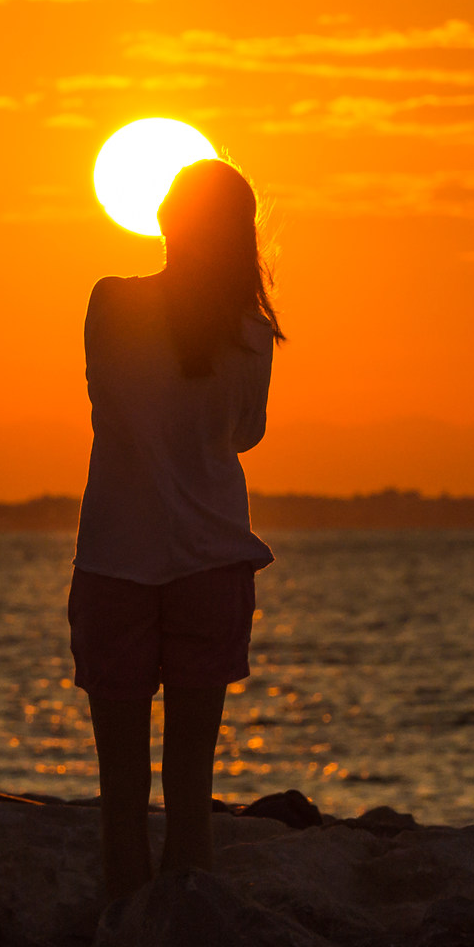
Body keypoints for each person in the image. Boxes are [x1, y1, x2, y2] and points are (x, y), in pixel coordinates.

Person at [71, 156, 284, 900]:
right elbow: (245, 434)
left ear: (165, 219)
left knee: (120, 794)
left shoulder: (111, 304)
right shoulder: (253, 336)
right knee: (191, 792)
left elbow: (103, 401)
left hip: (115, 564)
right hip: (212, 565)